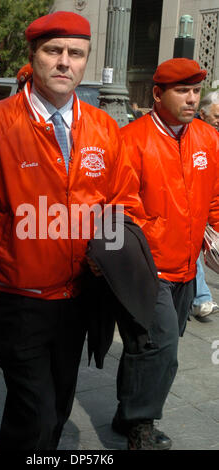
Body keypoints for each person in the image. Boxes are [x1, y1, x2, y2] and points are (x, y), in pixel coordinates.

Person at [0, 11, 142, 451]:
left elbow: (122, 203)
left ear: (85, 62)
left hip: (78, 299)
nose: (65, 62)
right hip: (15, 302)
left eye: (76, 54)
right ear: (34, 56)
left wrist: (115, 259)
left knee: (58, 406)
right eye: (54, 51)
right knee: (36, 412)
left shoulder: (104, 127)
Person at [109, 58, 219, 450]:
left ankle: (125, 414)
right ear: (157, 94)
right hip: (146, 269)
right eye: (182, 91)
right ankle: (140, 428)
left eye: (195, 92)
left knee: (146, 347)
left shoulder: (208, 138)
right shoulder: (131, 140)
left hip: (187, 268)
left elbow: (215, 201)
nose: (192, 99)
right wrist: (151, 242)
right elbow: (121, 210)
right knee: (162, 348)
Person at [191, 91, 219, 320]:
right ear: (203, 114)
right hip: (196, 204)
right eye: (216, 115)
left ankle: (200, 297)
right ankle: (200, 298)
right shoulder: (196, 135)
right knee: (194, 248)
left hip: (211, 203)